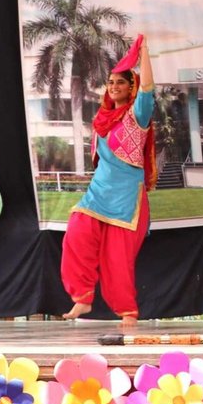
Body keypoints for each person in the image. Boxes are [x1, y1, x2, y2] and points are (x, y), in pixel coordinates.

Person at [61, 37, 156, 326]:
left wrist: (144, 52)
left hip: (126, 196)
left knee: (117, 258)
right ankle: (82, 296)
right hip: (98, 192)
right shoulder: (102, 119)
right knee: (76, 234)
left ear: (131, 88)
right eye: (111, 82)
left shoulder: (137, 115)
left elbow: (148, 89)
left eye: (120, 83)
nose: (114, 87)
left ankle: (127, 311)